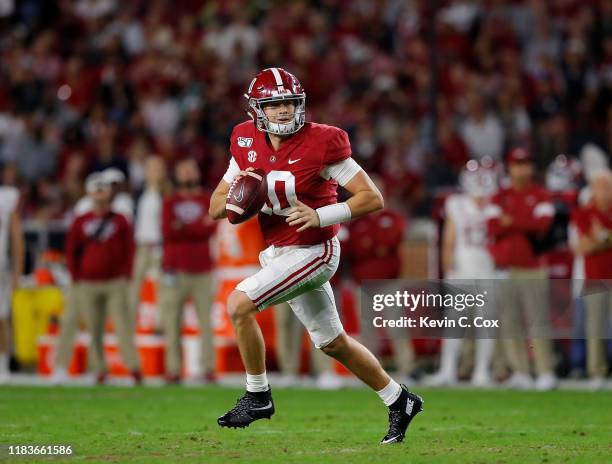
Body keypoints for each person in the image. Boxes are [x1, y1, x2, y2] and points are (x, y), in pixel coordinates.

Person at [209, 68, 423, 444]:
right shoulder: (244, 141)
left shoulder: (322, 141)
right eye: (273, 104)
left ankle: (257, 395)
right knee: (332, 342)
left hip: (315, 249)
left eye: (288, 102)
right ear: (256, 110)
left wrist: (321, 214)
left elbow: (372, 197)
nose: (282, 110)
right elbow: (215, 207)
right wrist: (241, 198)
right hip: (278, 252)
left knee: (239, 304)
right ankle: (399, 399)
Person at [485, 148, 556, 390]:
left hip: (533, 268)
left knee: (538, 321)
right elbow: (493, 226)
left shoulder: (542, 195)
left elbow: (543, 225)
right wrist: (524, 222)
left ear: (532, 167)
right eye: (517, 164)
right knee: (509, 322)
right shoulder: (499, 196)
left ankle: (545, 371)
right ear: (510, 167)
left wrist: (511, 221)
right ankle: (521, 372)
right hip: (506, 268)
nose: (521, 168)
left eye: (525, 164)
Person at [424, 159, 498, 387]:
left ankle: (482, 371)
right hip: (463, 271)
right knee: (454, 325)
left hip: (489, 271)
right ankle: (448, 370)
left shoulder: (497, 205)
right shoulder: (457, 203)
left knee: (486, 325)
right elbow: (449, 240)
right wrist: (449, 270)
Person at [65, 173, 141, 385]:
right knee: (94, 328)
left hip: (115, 282)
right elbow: (71, 250)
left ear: (109, 193)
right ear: (90, 193)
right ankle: (99, 368)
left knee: (122, 326)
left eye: (103, 190)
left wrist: (127, 275)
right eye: (96, 190)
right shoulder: (81, 220)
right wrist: (75, 276)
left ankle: (133, 368)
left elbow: (129, 249)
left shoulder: (120, 219)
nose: (100, 194)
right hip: (88, 282)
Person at [160, 158, 217, 384]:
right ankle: (173, 369)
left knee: (206, 323)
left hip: (202, 269)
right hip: (175, 269)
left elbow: (210, 229)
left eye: (190, 169)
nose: (186, 174)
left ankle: (208, 368)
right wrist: (197, 227)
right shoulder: (169, 201)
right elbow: (167, 231)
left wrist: (183, 227)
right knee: (172, 322)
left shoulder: (207, 199)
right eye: (183, 170)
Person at [572, 170, 612, 390]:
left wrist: (602, 237)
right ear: (593, 189)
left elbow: (593, 242)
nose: (604, 192)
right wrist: (604, 239)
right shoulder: (584, 213)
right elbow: (583, 247)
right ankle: (596, 372)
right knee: (595, 327)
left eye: (608, 187)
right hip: (595, 278)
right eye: (600, 187)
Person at [131, 156, 166, 329]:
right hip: (141, 245)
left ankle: (161, 323)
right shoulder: (139, 194)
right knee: (134, 285)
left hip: (157, 246)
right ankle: (129, 321)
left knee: (162, 286)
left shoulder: (165, 194)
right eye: (151, 169)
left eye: (157, 169)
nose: (154, 172)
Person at [0, 182, 24, 383]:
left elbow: (16, 236)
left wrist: (17, 270)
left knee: (1, 318)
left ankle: (2, 364)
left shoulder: (6, 197)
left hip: (0, 265)